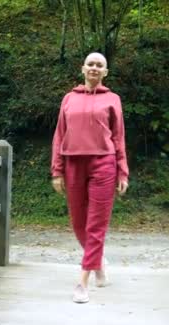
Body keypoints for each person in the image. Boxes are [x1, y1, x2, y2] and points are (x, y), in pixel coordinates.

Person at [50, 52, 129, 304]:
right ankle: (98, 264)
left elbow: (119, 137)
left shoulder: (113, 99)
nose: (95, 68)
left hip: (104, 164)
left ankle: (82, 283)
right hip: (73, 162)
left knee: (96, 224)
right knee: (77, 222)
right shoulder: (69, 98)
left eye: (100, 65)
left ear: (105, 72)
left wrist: (122, 170)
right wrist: (57, 170)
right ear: (83, 68)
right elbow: (59, 135)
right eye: (91, 64)